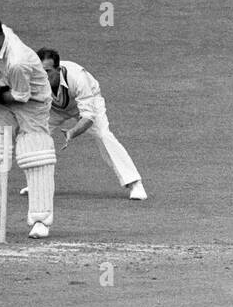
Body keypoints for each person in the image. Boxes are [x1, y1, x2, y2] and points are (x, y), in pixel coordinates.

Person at [0, 12, 56, 239]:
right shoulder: (1, 33)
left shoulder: (19, 62)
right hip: (10, 89)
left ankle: (40, 220)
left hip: (33, 102)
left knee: (35, 156)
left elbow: (21, 96)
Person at [22, 50, 146, 201]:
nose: (44, 76)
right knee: (34, 135)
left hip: (88, 103)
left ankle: (134, 183)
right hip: (53, 107)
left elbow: (88, 117)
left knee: (103, 135)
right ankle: (40, 183)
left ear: (58, 69)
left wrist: (71, 133)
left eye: (48, 71)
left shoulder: (78, 77)